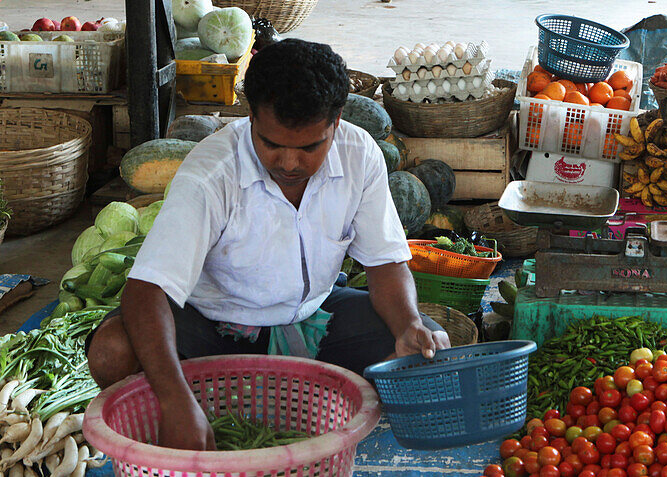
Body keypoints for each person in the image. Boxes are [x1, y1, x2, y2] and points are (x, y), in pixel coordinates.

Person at [86, 39, 450, 451]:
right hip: (214, 324)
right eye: (271, 144)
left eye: (310, 147)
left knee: (426, 353)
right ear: (251, 116)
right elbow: (146, 290)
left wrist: (407, 325)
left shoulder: (359, 154)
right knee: (111, 353)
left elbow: (386, 264)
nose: (289, 164)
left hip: (316, 317)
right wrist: (174, 402)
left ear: (337, 121)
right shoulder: (211, 172)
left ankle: (249, 391)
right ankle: (200, 397)